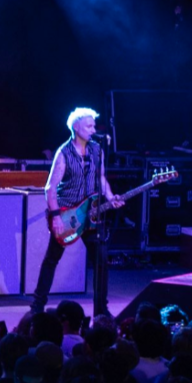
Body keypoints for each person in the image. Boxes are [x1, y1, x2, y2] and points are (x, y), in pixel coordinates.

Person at [30, 108, 124, 316]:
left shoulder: (97, 150)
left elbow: (101, 178)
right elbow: (50, 188)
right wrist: (56, 216)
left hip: (91, 214)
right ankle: (37, 307)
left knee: (101, 261)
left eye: (93, 126)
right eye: (89, 126)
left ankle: (101, 310)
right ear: (76, 127)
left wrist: (110, 197)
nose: (93, 130)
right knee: (51, 260)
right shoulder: (63, 153)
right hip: (67, 214)